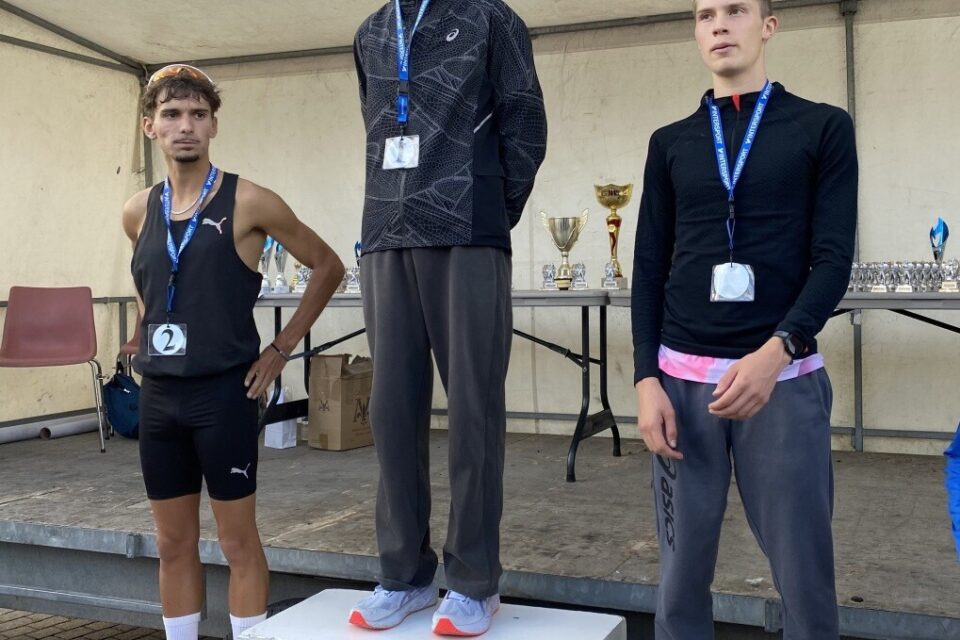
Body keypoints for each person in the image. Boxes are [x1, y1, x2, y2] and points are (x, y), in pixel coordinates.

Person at [631, 1, 858, 638]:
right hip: (682, 385)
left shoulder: (822, 128)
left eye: (736, 10)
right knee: (679, 579)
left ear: (768, 26)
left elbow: (834, 258)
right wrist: (647, 380)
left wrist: (779, 348)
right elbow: (649, 266)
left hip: (781, 383)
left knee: (804, 574)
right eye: (706, 15)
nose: (720, 25)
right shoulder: (670, 142)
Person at [121, 64, 344, 640]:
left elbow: (328, 266)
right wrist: (142, 327)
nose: (185, 126)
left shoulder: (249, 201)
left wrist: (281, 349)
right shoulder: (137, 210)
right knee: (172, 543)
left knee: (237, 541)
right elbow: (155, 281)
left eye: (197, 114)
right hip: (160, 398)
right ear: (151, 127)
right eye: (171, 115)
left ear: (214, 125)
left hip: (224, 394)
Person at [349, 0, 547, 635]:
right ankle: (403, 574)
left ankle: (472, 582)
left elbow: (526, 125)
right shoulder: (371, 31)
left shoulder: (493, 18)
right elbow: (377, 124)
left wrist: (489, 205)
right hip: (385, 231)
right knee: (391, 410)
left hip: (467, 228)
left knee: (472, 409)